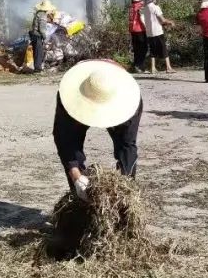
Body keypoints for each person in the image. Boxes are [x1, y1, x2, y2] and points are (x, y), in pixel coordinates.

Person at [52, 60, 143, 201]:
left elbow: (127, 146)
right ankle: (80, 197)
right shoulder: (68, 98)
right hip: (80, 96)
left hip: (119, 100)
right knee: (70, 144)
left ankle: (126, 198)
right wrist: (76, 176)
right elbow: (65, 140)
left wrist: (123, 188)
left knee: (126, 146)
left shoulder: (130, 103)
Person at [142, 0, 174, 74]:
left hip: (149, 32)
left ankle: (153, 68)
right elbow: (162, 20)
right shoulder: (156, 7)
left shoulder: (145, 8)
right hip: (157, 31)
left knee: (152, 50)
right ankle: (168, 67)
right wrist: (170, 22)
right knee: (164, 49)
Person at [30, 0, 56, 73]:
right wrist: (45, 37)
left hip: (33, 34)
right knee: (39, 52)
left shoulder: (38, 13)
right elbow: (42, 30)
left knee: (36, 52)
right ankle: (37, 69)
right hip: (37, 35)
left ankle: (37, 68)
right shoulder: (43, 15)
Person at [128, 0, 148, 73]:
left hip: (133, 31)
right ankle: (140, 67)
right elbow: (142, 19)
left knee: (136, 49)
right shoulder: (140, 6)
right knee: (143, 49)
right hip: (140, 30)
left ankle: (136, 65)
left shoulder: (131, 7)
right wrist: (147, 28)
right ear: (140, 0)